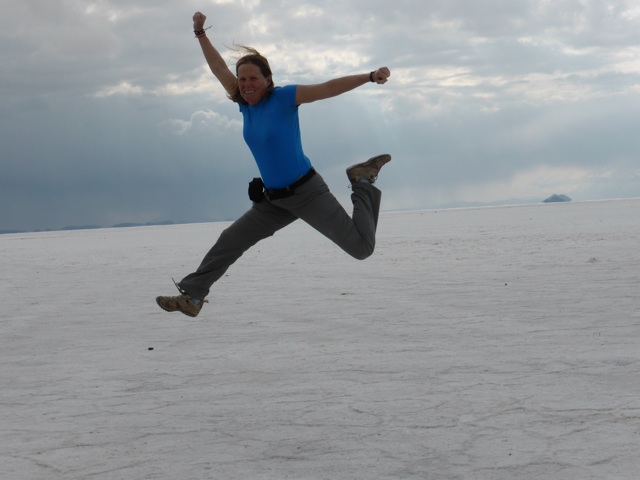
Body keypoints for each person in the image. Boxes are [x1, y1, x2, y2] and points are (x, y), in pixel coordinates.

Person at [156, 11, 392, 317]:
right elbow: (217, 68)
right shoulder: (244, 105)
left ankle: (361, 181)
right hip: (274, 200)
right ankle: (193, 296)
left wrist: (369, 76)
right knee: (230, 239)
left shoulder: (284, 99)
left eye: (254, 78)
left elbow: (328, 87)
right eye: (242, 79)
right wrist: (200, 34)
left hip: (307, 193)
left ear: (268, 80)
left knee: (361, 249)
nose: (246, 84)